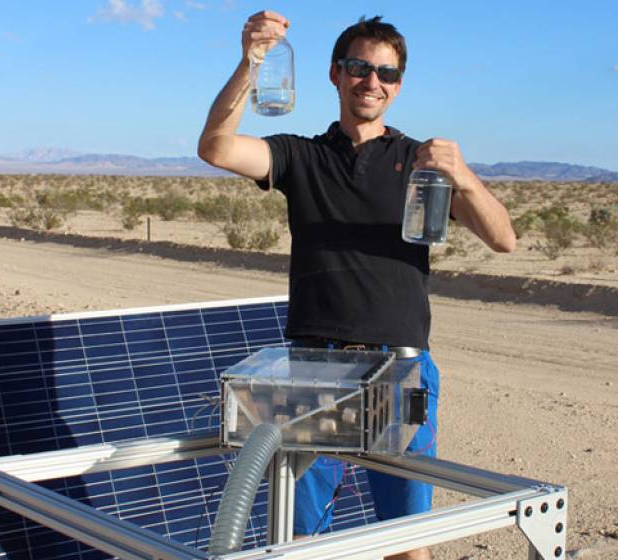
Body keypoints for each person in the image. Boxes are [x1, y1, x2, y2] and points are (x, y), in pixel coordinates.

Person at [198, 11, 516, 560]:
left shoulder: (422, 164)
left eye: (387, 74)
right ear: (335, 74)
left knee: (407, 541)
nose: (373, 82)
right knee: (296, 541)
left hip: (403, 367)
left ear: (398, 85)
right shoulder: (301, 157)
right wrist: (250, 62)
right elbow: (216, 146)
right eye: (359, 68)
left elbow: (503, 238)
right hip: (312, 368)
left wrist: (463, 173)